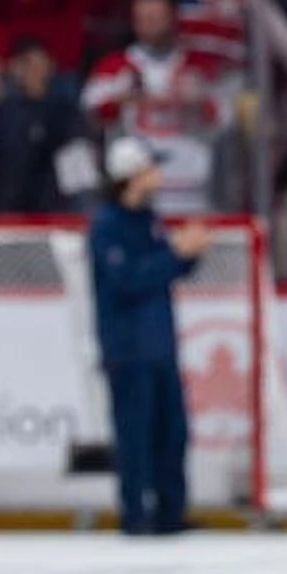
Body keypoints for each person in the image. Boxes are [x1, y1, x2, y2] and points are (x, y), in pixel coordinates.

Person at [89, 137, 214, 537]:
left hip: (160, 344)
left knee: (172, 431)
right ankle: (136, 511)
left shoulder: (149, 220)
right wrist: (176, 254)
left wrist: (189, 254)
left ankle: (170, 509)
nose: (159, 174)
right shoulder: (107, 226)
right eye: (152, 167)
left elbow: (163, 269)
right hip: (128, 347)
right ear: (132, 174)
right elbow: (127, 278)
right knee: (135, 434)